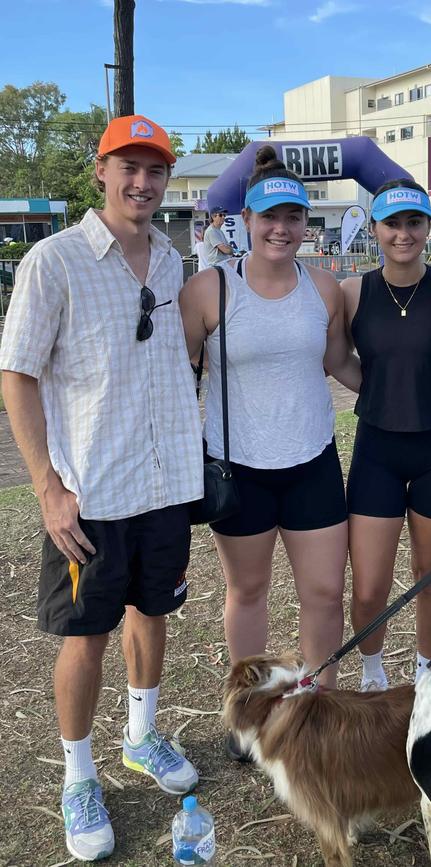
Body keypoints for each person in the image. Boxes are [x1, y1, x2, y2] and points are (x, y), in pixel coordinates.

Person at [0, 115, 204, 862]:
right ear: (101, 170)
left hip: (164, 483)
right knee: (85, 636)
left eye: (155, 170)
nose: (142, 183)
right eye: (129, 167)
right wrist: (47, 486)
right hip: (90, 491)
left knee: (153, 612)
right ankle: (78, 776)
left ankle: (142, 735)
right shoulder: (54, 261)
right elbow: (16, 374)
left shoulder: (173, 261)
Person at [179, 146, 360, 754]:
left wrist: (418, 392)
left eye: (293, 217)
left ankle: (316, 709)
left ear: (307, 223)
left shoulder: (326, 288)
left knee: (323, 594)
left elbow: (339, 362)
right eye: (268, 217)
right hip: (239, 470)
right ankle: (252, 712)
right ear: (246, 221)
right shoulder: (209, 289)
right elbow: (179, 376)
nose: (281, 229)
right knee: (247, 593)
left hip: (312, 461)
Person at [340, 179, 431, 691]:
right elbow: (337, 358)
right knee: (370, 586)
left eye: (413, 223)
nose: (403, 234)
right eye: (392, 223)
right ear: (374, 228)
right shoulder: (353, 291)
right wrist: (378, 390)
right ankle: (372, 677)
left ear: (428, 227)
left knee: (430, 580)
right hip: (378, 451)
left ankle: (425, 681)